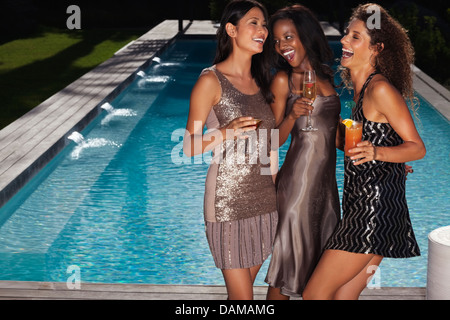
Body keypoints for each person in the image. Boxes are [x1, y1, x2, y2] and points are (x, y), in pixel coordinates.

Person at [303, 3, 426, 300]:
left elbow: (417, 148)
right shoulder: (362, 91)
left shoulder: (379, 89)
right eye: (347, 34)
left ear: (377, 49)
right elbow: (364, 144)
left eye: (355, 37)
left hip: (372, 213)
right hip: (373, 206)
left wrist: (378, 153)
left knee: (314, 295)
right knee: (344, 296)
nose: (344, 40)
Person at [183, 0, 278, 300]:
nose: (262, 29)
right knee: (243, 300)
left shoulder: (263, 81)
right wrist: (225, 133)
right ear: (231, 29)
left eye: (264, 23)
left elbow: (271, 144)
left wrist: (277, 191)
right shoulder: (210, 81)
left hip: (266, 202)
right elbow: (187, 146)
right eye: (254, 22)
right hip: (227, 203)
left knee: (242, 296)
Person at [264, 5, 342, 299]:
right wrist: (291, 117)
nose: (282, 46)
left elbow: (333, 136)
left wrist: (382, 156)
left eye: (288, 37)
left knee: (321, 268)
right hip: (296, 189)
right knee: (287, 269)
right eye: (277, 40)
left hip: (325, 189)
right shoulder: (282, 81)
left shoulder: (324, 76)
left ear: (305, 36)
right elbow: (269, 140)